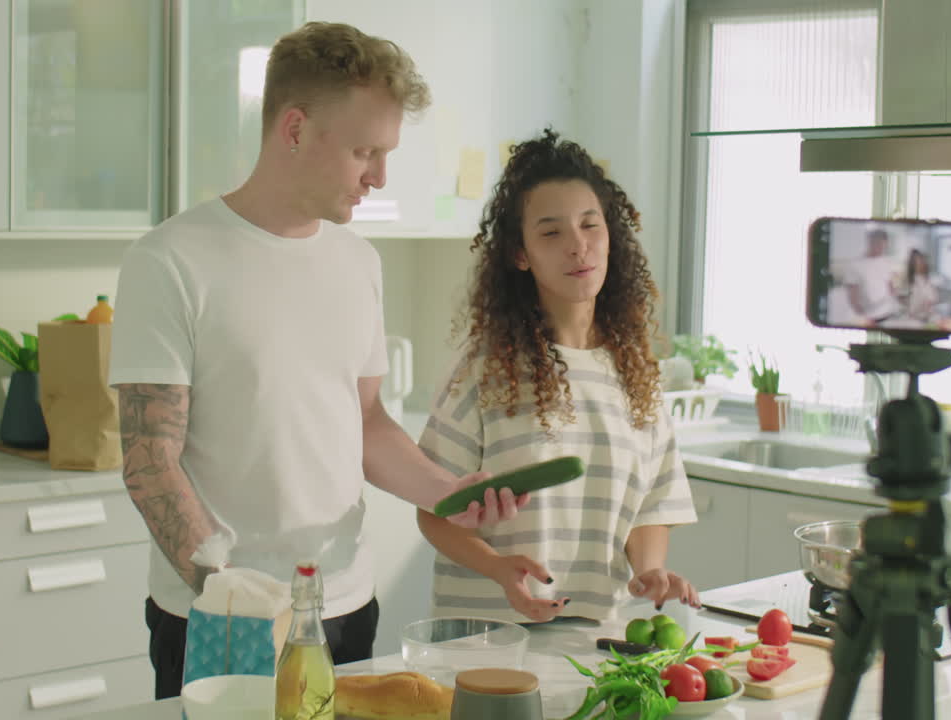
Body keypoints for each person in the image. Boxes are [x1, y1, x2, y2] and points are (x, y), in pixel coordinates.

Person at [108, 22, 523, 700]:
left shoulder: (358, 262)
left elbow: (364, 421)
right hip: (222, 616)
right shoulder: (171, 260)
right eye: (364, 150)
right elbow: (149, 457)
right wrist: (230, 595)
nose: (379, 175)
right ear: (295, 129)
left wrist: (449, 493)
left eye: (385, 153)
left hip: (343, 606)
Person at [415, 129, 701, 625]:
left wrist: (650, 571)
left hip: (591, 639)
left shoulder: (636, 376)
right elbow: (433, 510)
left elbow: (651, 506)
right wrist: (498, 567)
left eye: (591, 225)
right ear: (520, 254)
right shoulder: (486, 372)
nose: (578, 246)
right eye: (551, 232)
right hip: (484, 641)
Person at [844, 227, 902, 326]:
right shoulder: (855, 265)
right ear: (870, 242)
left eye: (883, 244)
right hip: (868, 316)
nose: (880, 247)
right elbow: (852, 294)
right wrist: (860, 313)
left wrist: (896, 286)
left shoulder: (890, 263)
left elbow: (895, 286)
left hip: (889, 313)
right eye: (877, 243)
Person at [904, 249, 941, 324]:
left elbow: (934, 298)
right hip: (915, 319)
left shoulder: (927, 280)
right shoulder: (912, 281)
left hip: (929, 318)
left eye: (921, 260)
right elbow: (912, 307)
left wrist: (930, 302)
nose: (919, 263)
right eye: (915, 261)